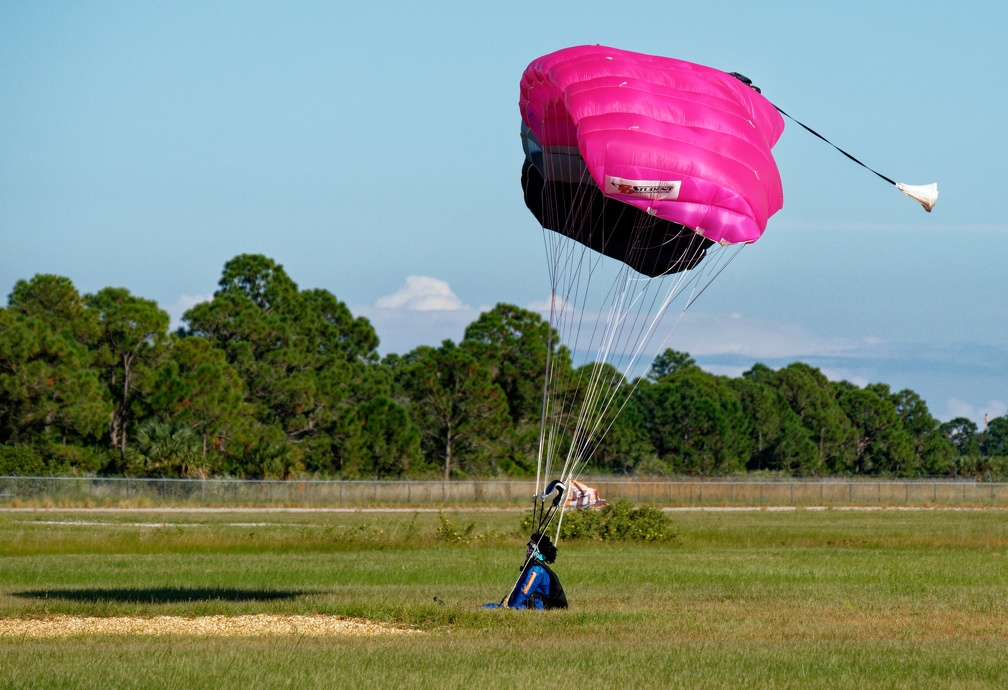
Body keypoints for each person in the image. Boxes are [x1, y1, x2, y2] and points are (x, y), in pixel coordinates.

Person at [485, 533, 567, 610]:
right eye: (528, 549)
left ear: (537, 553)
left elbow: (524, 591)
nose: (527, 552)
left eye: (531, 549)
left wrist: (512, 607)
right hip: (526, 603)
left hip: (533, 606)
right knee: (489, 606)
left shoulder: (537, 570)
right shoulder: (533, 567)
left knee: (491, 608)